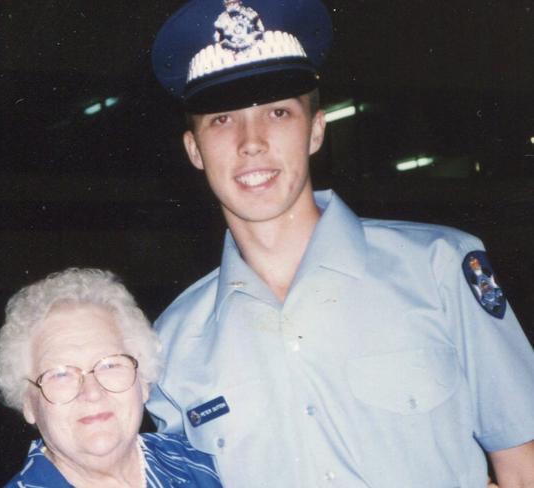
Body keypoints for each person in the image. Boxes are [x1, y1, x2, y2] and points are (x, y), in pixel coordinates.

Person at [146, 0, 534, 486]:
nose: (252, 142)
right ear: (193, 150)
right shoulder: (172, 342)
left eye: (278, 113)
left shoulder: (438, 269)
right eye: (222, 120)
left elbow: (523, 464)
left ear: (315, 131)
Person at [0, 268, 222, 487]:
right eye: (61, 374)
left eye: (110, 364)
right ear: (28, 404)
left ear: (142, 381)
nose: (92, 393)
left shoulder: (209, 466)